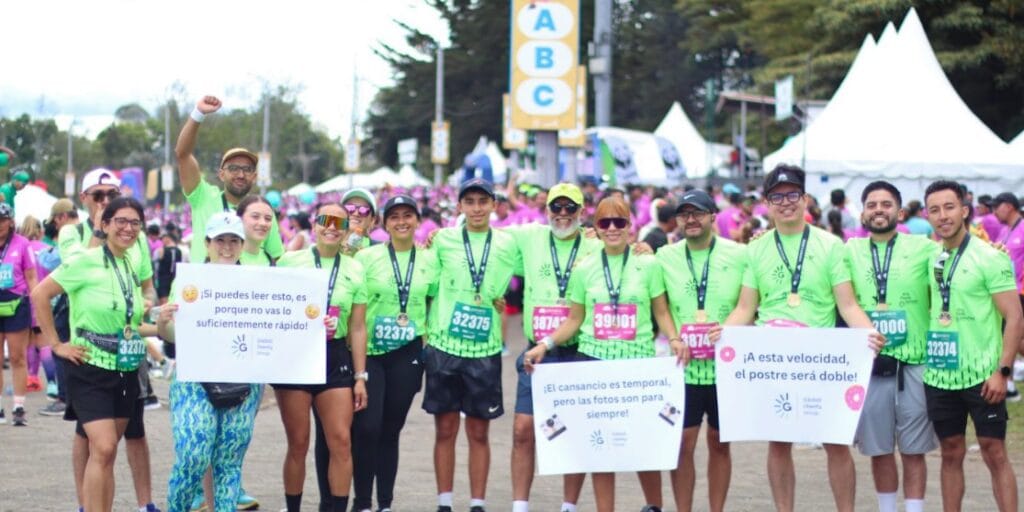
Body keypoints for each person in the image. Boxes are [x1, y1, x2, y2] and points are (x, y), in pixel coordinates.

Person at [712, 165, 884, 512]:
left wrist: (868, 334)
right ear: (767, 203)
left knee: (836, 442)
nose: (786, 202)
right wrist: (725, 334)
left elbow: (847, 304)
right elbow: (746, 308)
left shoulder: (830, 245)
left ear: (805, 199)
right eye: (777, 196)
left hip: (820, 359)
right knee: (778, 443)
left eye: (793, 195)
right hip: (775, 359)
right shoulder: (755, 250)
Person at [523, 196, 680, 512]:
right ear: (595, 227)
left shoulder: (647, 264)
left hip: (637, 364)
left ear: (629, 226)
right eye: (605, 222)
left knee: (643, 445)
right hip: (595, 364)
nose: (612, 228)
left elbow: (661, 312)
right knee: (600, 446)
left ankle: (654, 507)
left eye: (619, 222)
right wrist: (544, 344)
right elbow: (574, 320)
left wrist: (674, 338)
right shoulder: (585, 270)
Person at [31, 197, 161, 512]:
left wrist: (162, 323)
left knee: (107, 454)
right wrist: (57, 344)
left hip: (126, 369)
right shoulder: (84, 261)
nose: (128, 229)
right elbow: (40, 294)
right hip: (89, 366)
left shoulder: (130, 264)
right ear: (104, 225)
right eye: (121, 221)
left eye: (134, 223)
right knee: (101, 448)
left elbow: (129, 327)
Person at [922, 180, 1021, 512]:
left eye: (949, 207)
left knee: (994, 451)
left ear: (964, 210)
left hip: (983, 375)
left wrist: (1002, 371)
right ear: (928, 215)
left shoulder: (990, 257)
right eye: (934, 210)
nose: (942, 216)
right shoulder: (929, 256)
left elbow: (1015, 316)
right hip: (940, 374)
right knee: (950, 450)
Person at [423, 178, 518, 512]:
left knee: (479, 433)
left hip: (485, 350)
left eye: (483, 201)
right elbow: (425, 285)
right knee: (445, 430)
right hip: (444, 349)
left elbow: (543, 257)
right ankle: (444, 503)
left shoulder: (509, 243)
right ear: (459, 206)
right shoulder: (442, 240)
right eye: (470, 202)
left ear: (493, 205)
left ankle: (477, 504)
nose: (477, 208)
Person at [505, 183, 601, 512]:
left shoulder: (594, 243)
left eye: (569, 208)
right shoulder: (530, 236)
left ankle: (569, 505)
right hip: (537, 351)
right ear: (546, 211)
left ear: (581, 212)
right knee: (522, 429)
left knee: (574, 429)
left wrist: (643, 245)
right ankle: (520, 505)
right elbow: (483, 233)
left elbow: (626, 250)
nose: (562, 215)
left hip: (577, 349)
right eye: (556, 208)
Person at [159, 213, 264, 512]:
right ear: (207, 243)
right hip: (194, 379)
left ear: (242, 245)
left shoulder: (259, 282)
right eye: (220, 240)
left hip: (243, 381)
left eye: (234, 240)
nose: (227, 247)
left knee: (229, 461)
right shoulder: (188, 280)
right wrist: (163, 322)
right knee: (193, 455)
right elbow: (172, 335)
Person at [846, 181, 938, 512]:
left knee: (914, 450)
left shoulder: (925, 248)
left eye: (886, 204)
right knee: (879, 449)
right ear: (863, 212)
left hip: (914, 365)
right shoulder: (849, 250)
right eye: (872, 205)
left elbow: (957, 258)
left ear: (899, 212)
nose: (879, 210)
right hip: (870, 367)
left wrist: (993, 251)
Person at [274, 201, 369, 512]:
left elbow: (357, 327)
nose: (331, 227)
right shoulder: (290, 261)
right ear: (314, 224)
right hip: (296, 356)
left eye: (339, 223)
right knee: (298, 444)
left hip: (335, 354)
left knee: (341, 442)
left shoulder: (355, 267)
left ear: (346, 231)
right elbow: (273, 309)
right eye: (325, 220)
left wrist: (360, 378)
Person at [656, 190, 747, 512]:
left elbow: (750, 300)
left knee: (719, 444)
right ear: (677, 220)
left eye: (698, 213)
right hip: (684, 367)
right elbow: (660, 306)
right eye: (684, 214)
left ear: (712, 216)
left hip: (725, 368)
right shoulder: (664, 256)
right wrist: (672, 337)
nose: (691, 220)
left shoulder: (739, 254)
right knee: (682, 444)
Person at [350, 195, 439, 512]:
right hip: (371, 352)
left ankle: (384, 503)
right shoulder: (367, 257)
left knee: (390, 430)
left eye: (408, 215)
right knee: (367, 428)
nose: (402, 221)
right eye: (394, 216)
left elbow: (439, 299)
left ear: (417, 221)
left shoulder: (431, 259)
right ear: (384, 224)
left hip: (408, 353)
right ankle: (362, 502)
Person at [175, 95, 284, 265]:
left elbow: (277, 257)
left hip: (251, 289)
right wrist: (198, 114)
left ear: (254, 176)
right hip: (205, 288)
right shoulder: (203, 197)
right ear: (221, 174)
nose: (240, 175)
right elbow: (183, 154)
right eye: (233, 168)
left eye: (247, 169)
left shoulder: (263, 212)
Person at [38, 199, 79, 418]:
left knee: (61, 346)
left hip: (68, 298)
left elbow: (54, 262)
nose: (54, 224)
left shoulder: (69, 233)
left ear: (61, 217)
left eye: (55, 220)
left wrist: (41, 251)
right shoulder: (86, 230)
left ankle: (64, 397)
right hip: (81, 300)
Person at [0, 204, 39, 426]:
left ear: (11, 222)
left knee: (17, 357)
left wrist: (37, 309)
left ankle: (18, 407)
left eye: (2, 220)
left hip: (17, 304)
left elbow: (32, 278)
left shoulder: (22, 245)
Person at [154, 231, 183, 306]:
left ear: (167, 238)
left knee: (164, 304)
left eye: (162, 239)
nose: (162, 241)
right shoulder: (179, 251)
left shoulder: (161, 250)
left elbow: (156, 267)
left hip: (163, 280)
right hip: (175, 279)